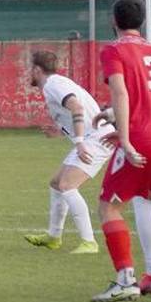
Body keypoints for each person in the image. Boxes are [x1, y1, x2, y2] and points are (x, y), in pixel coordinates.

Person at [90, 0, 151, 302]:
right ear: (143, 20)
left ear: (113, 21)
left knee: (109, 205)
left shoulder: (115, 50)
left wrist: (126, 137)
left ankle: (126, 280)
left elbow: (121, 91)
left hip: (143, 138)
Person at [23, 51, 112, 254]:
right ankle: (54, 237)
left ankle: (89, 242)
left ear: (37, 70)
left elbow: (77, 107)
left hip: (97, 139)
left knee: (67, 185)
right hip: (92, 137)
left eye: (31, 69)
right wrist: (61, 131)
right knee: (56, 183)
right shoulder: (54, 84)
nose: (30, 73)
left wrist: (79, 142)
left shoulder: (54, 85)